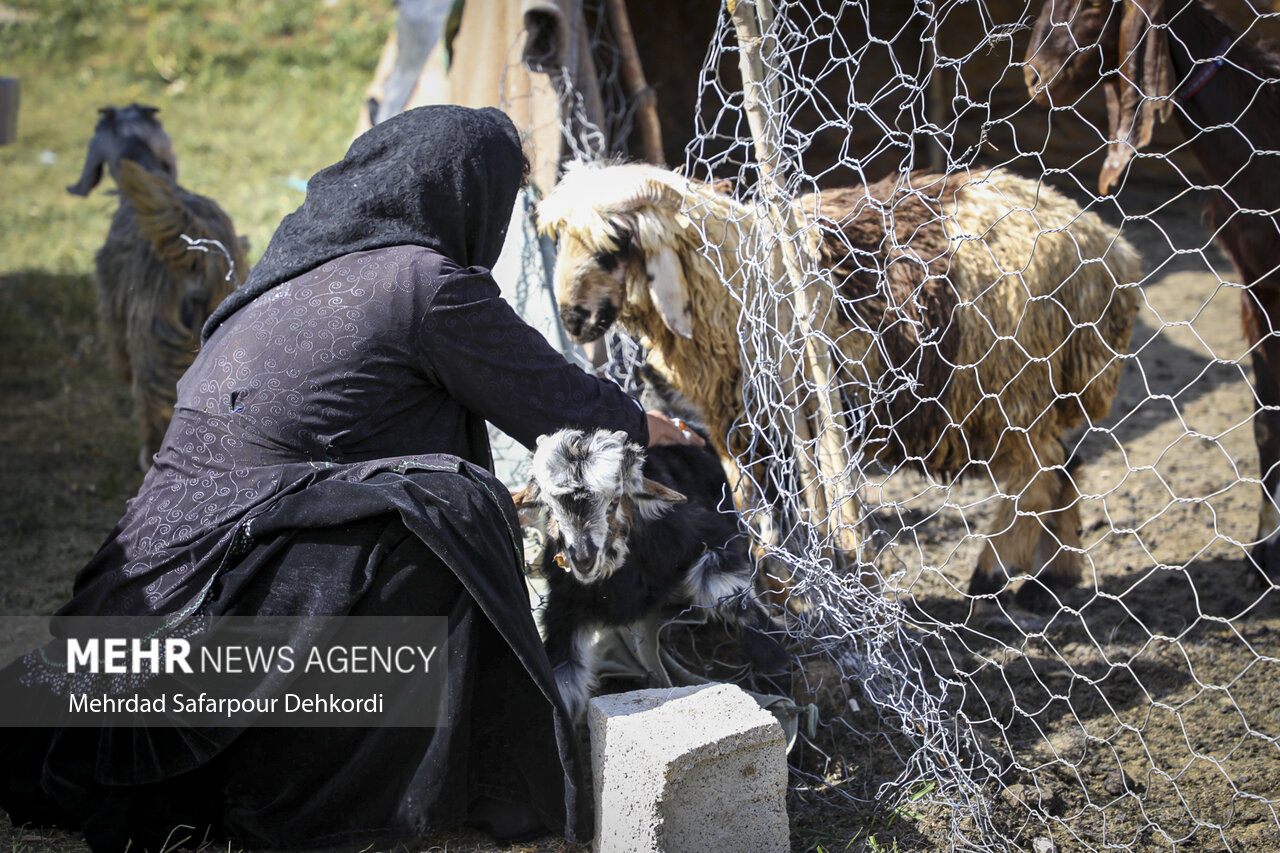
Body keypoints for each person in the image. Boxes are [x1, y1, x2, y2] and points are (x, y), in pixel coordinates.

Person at [0, 104, 701, 852]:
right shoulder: (424, 283)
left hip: (127, 637)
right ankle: (304, 802)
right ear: (466, 195)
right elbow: (560, 401)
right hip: (210, 652)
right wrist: (657, 426)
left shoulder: (274, 289)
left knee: (427, 495)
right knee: (441, 511)